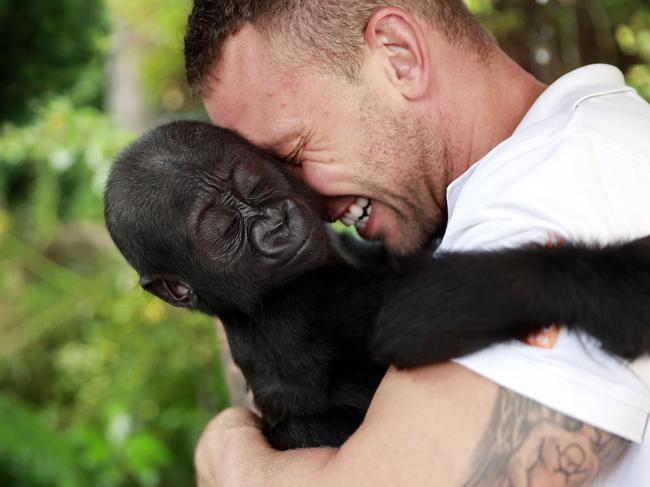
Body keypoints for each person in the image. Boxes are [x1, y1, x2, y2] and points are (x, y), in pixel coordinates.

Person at [183, 1, 650, 485]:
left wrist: (224, 444)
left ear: (399, 55)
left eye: (295, 154)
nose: (303, 204)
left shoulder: (560, 193)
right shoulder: (578, 157)